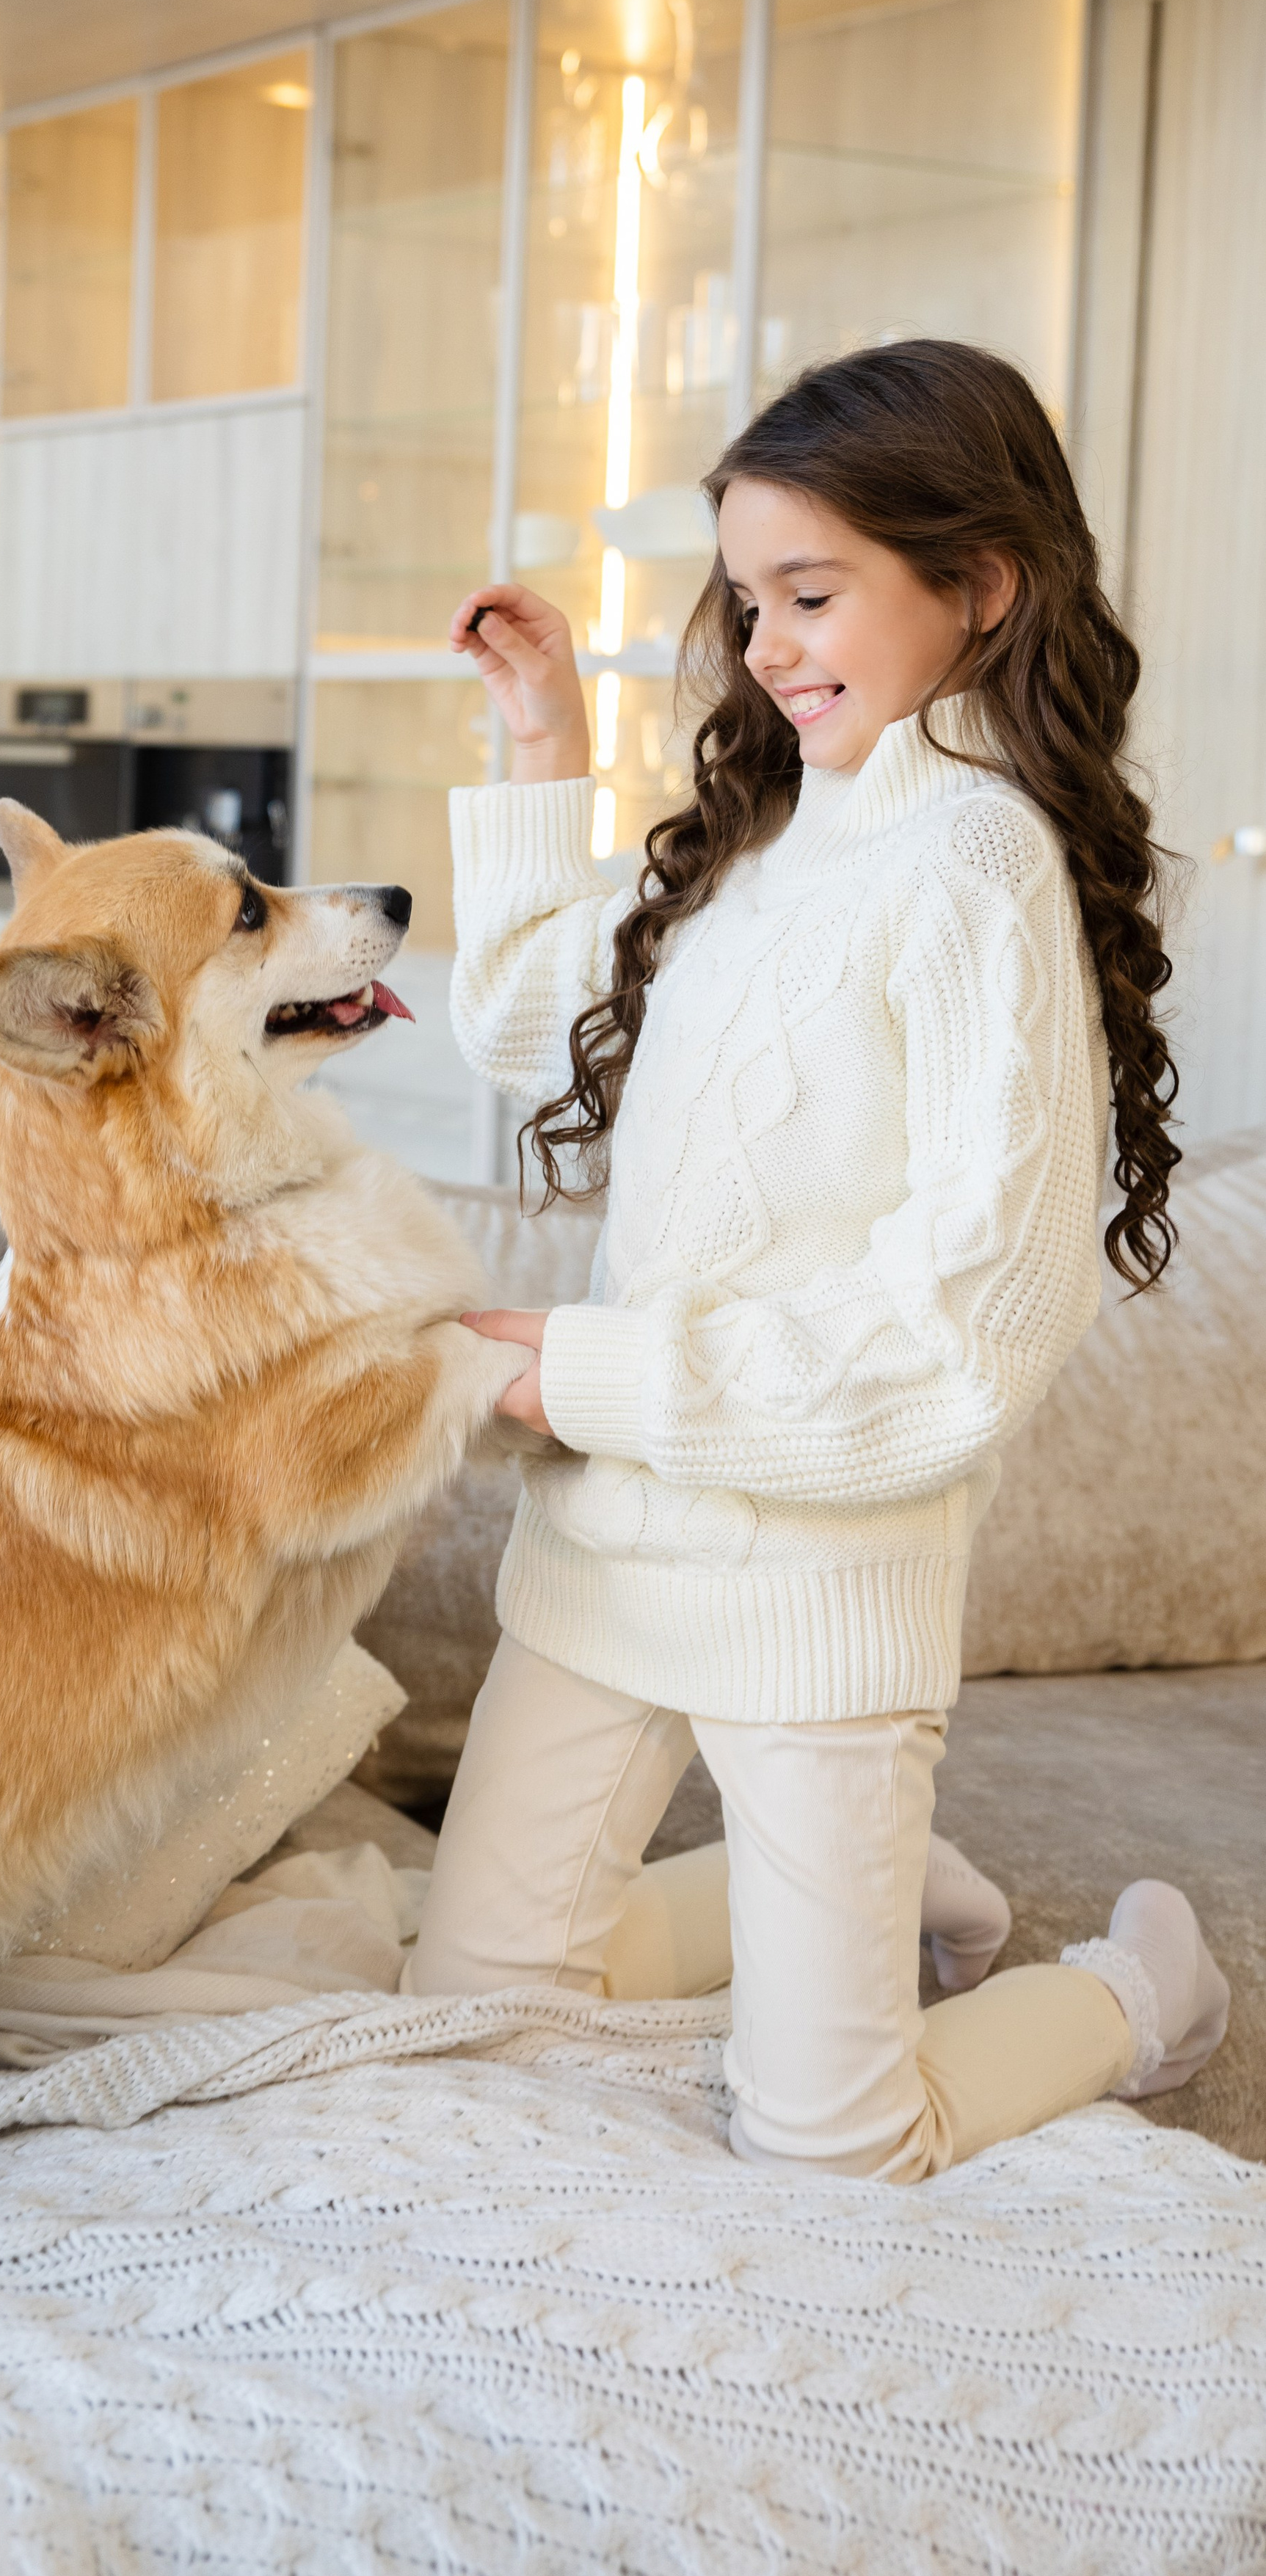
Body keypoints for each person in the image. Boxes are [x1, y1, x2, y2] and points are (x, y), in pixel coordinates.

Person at [401, 340, 1229, 2180]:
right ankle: (869, 1900)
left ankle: (1131, 1992)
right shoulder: (769, 828)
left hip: (814, 1599)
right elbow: (525, 1020)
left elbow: (957, 1350)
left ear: (978, 586)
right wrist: (541, 734)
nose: (766, 646)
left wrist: (588, 1371)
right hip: (605, 1550)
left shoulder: (969, 868)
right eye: (745, 600)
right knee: (462, 2013)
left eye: (810, 593)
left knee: (833, 2147)